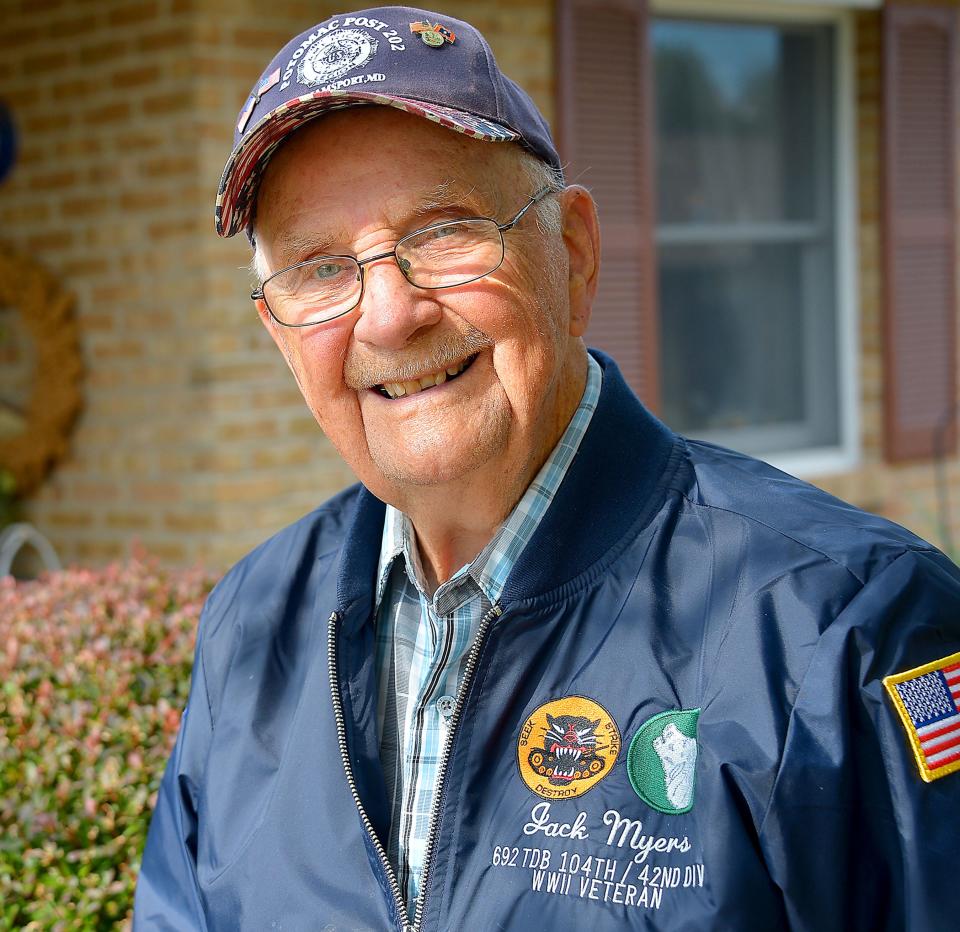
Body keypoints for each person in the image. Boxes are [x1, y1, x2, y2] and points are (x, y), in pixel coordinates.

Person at [134, 6, 960, 930]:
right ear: (276, 329)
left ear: (571, 254)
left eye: (443, 231)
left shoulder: (842, 625)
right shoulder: (252, 622)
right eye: (320, 270)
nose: (387, 314)